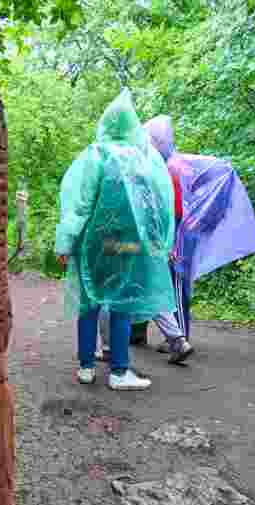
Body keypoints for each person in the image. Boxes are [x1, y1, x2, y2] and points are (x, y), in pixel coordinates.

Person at [55, 89, 177, 391]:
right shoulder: (144, 160)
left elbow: (80, 204)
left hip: (94, 245)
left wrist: (65, 242)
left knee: (89, 303)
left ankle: (86, 366)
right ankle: (119, 371)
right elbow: (159, 203)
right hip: (128, 246)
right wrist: (161, 242)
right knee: (122, 302)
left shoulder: (95, 155)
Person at [96, 116, 193, 365]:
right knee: (151, 289)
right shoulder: (152, 172)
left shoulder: (113, 166)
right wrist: (163, 244)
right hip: (147, 244)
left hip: (119, 244)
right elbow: (160, 212)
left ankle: (108, 348)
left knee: (109, 293)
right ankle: (178, 340)